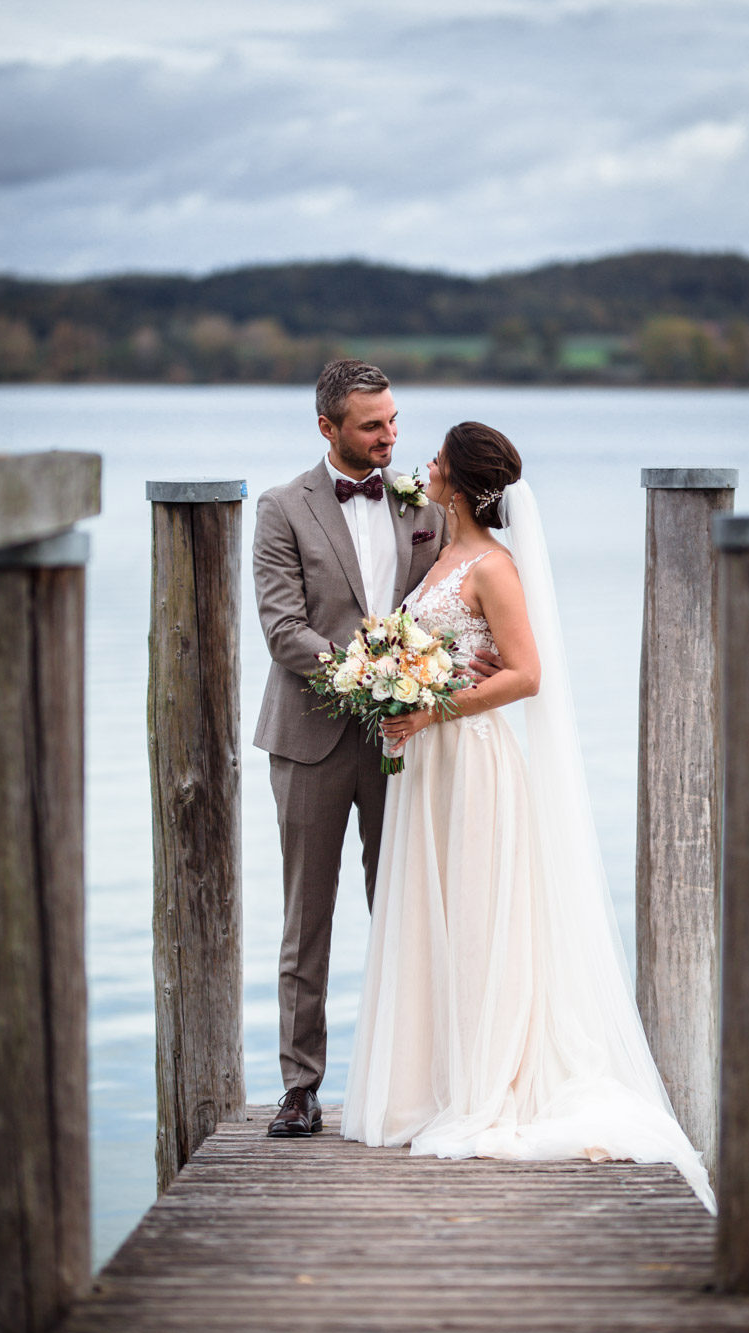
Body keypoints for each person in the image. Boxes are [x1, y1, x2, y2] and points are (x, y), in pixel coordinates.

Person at [340, 421, 716, 1212]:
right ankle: (428, 1080)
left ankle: (487, 1079)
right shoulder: (440, 555)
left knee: (480, 920)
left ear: (460, 482)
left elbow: (527, 675)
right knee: (430, 917)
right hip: (424, 768)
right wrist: (392, 681)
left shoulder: (494, 567)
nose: (425, 465)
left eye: (438, 459)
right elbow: (444, 653)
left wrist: (429, 706)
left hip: (471, 763)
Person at [253, 362, 498, 1139]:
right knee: (307, 918)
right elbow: (283, 629)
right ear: (328, 428)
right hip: (311, 739)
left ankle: (416, 1081)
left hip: (408, 740)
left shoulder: (423, 503)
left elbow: (460, 596)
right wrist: (368, 674)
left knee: (408, 906)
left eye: (394, 421)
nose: (390, 437)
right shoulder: (281, 508)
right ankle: (301, 1089)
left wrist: (459, 670)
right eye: (372, 426)